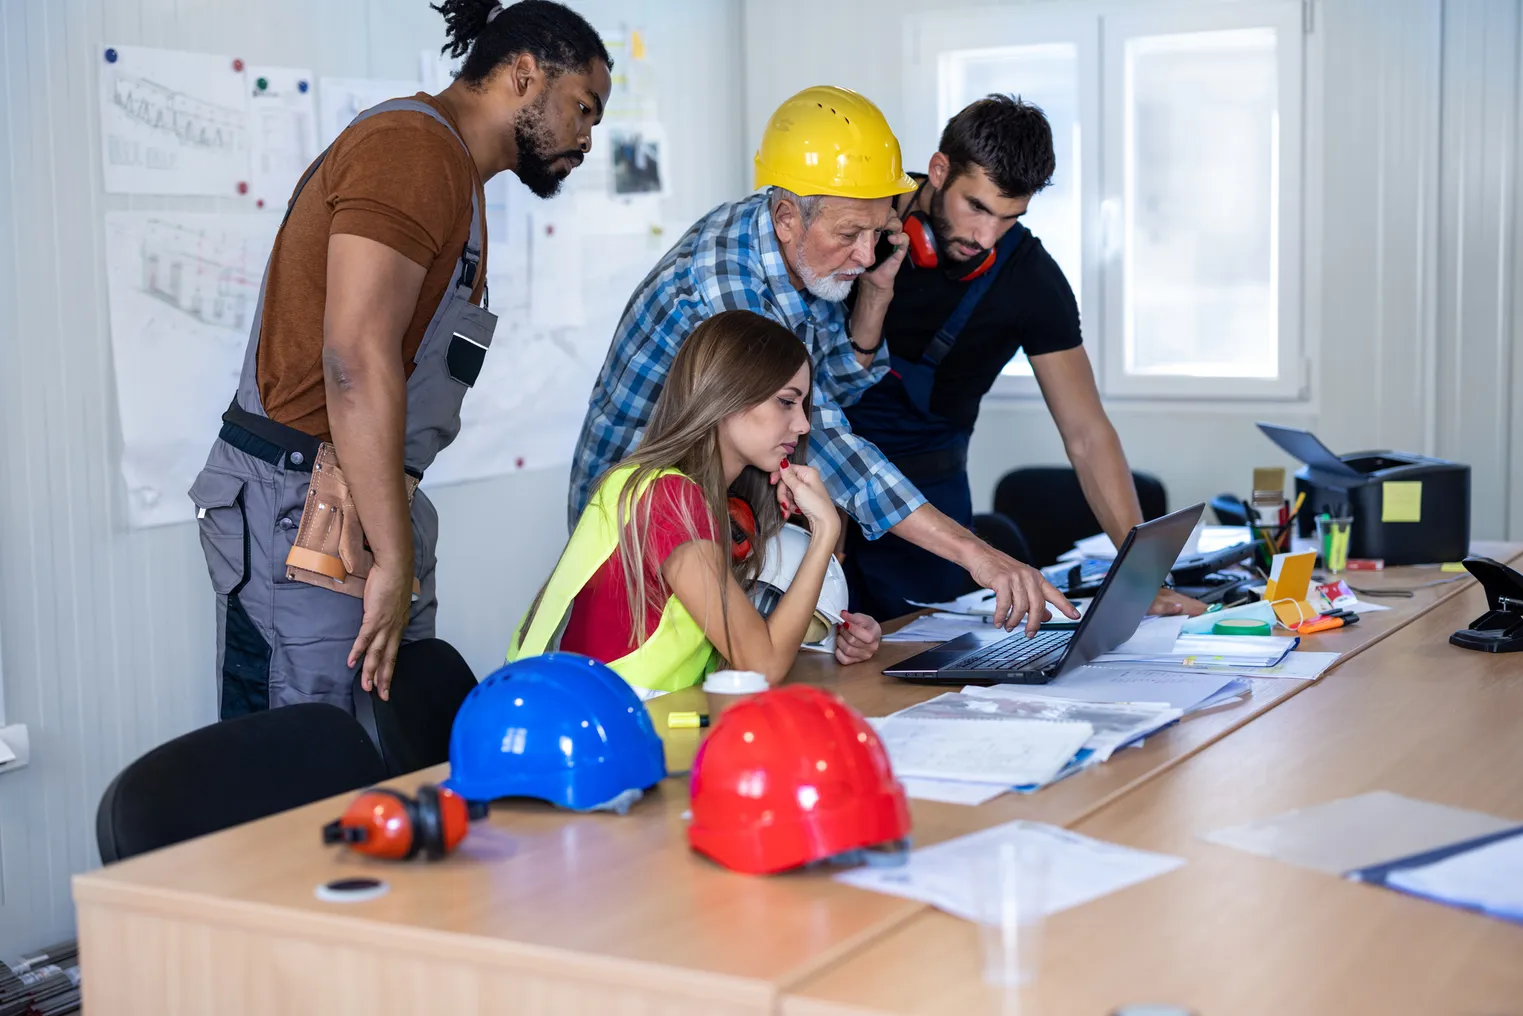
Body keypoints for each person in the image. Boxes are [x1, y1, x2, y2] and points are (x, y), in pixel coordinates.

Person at [188, 0, 613, 718]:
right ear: (523, 74)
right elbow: (354, 358)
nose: (588, 138)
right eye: (583, 108)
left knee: (380, 761)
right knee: (304, 770)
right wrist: (389, 556)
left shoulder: (457, 178)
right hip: (303, 510)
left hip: (368, 507)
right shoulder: (412, 150)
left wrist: (393, 547)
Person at [570, 85, 1079, 637]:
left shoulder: (808, 254)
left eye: (876, 231)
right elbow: (827, 441)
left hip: (722, 505)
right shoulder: (723, 285)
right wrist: (975, 553)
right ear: (788, 216)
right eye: (849, 235)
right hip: (637, 523)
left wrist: (876, 299)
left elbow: (834, 387)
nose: (865, 254)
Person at [842, 95, 1209, 620]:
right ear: (939, 171)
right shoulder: (859, 224)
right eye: (977, 207)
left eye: (1010, 217)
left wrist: (1142, 578)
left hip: (930, 505)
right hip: (817, 480)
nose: (986, 237)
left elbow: (1087, 434)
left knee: (917, 659)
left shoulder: (1030, 281)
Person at [513, 310, 884, 695]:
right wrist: (826, 531)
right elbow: (763, 665)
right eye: (786, 402)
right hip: (597, 731)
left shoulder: (700, 499)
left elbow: (745, 649)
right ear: (727, 397)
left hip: (630, 719)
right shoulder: (669, 499)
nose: (804, 425)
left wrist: (836, 635)